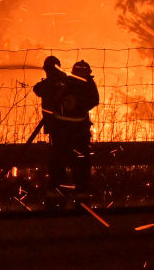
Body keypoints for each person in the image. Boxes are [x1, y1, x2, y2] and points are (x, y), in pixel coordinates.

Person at [33, 57, 99, 202]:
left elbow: (38, 89)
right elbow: (95, 100)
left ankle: (56, 195)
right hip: (78, 132)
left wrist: (53, 77)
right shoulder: (85, 85)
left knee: (59, 162)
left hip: (61, 131)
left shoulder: (64, 82)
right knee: (79, 162)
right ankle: (80, 196)